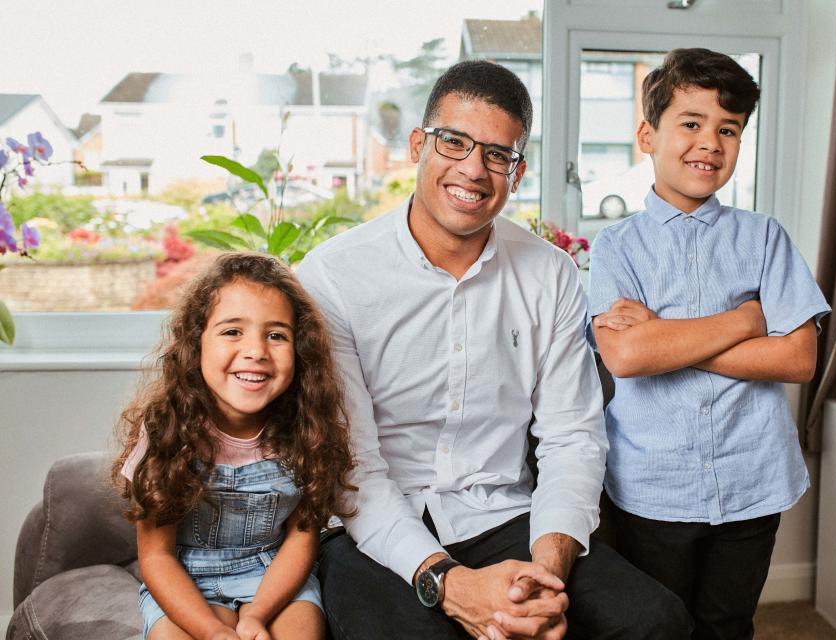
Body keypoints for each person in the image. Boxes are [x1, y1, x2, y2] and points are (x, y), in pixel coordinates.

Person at [297, 60, 690, 640]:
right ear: (417, 145)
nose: (473, 170)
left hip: (503, 515)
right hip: (375, 526)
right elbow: (353, 471)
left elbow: (572, 438)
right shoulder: (333, 276)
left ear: (518, 171)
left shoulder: (551, 273)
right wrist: (450, 585)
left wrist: (542, 577)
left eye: (497, 155)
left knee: (656, 621)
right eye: (454, 142)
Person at [589, 48, 832, 639]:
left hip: (753, 479)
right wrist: (748, 320)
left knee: (728, 625)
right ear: (648, 135)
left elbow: (797, 359)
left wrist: (666, 335)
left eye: (729, 130)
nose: (710, 143)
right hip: (652, 486)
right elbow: (627, 355)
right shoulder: (615, 247)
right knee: (657, 625)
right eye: (691, 124)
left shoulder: (765, 236)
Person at [112, 252, 355, 640]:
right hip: (186, 577)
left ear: (300, 350)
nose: (256, 351)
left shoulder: (308, 429)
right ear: (196, 343)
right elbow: (156, 556)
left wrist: (256, 616)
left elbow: (300, 537)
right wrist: (212, 631)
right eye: (232, 331)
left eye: (276, 335)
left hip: (273, 576)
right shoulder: (165, 430)